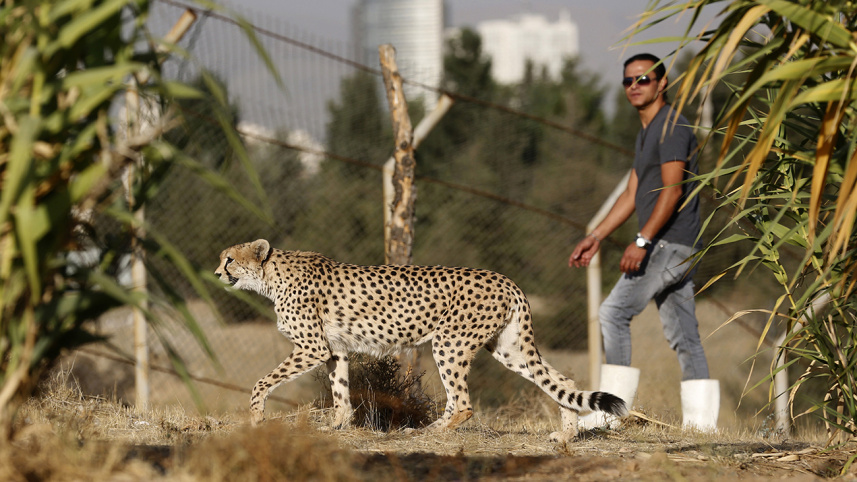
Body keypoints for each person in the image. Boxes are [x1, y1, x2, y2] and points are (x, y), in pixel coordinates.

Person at [569, 53, 718, 430]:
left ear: (662, 82)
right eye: (628, 81)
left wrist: (642, 239)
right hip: (673, 246)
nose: (635, 86)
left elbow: (672, 190)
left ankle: (608, 416)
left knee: (613, 313)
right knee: (685, 336)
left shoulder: (672, 126)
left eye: (644, 79)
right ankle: (702, 428)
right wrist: (596, 236)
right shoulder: (647, 132)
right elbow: (633, 193)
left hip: (669, 244)